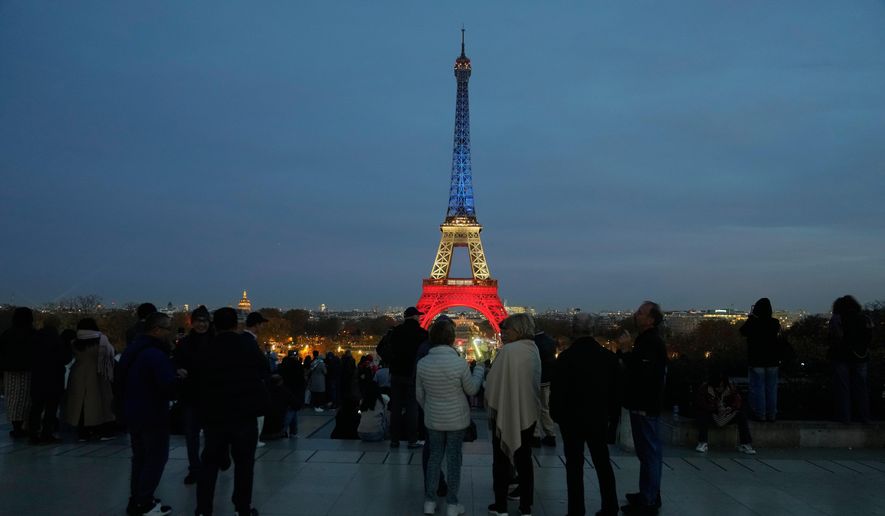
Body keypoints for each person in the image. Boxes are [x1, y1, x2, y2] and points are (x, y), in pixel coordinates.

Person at [196, 307, 268, 516]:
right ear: (237, 325)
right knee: (244, 465)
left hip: (215, 416)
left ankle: (203, 509)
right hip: (243, 415)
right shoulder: (247, 346)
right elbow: (263, 369)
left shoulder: (207, 348)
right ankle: (242, 507)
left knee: (209, 465)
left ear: (214, 325)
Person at [550, 313, 620, 516]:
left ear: (573, 330)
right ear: (593, 330)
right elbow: (616, 394)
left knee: (574, 466)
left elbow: (557, 392)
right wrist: (612, 420)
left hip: (571, 420)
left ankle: (576, 510)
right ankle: (610, 506)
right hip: (598, 418)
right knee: (602, 463)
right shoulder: (608, 358)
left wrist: (557, 416)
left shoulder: (565, 358)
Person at [416, 317, 485, 516]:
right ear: (452, 338)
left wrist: (430, 408)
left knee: (434, 459)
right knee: (454, 461)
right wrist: (479, 369)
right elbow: (472, 390)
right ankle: (452, 505)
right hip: (456, 420)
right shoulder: (459, 364)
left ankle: (429, 502)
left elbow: (419, 396)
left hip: (433, 419)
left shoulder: (423, 364)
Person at [118, 312, 178, 516]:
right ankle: (143, 502)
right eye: (167, 329)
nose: (170, 333)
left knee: (140, 458)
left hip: (133, 410)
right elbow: (168, 385)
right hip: (152, 412)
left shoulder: (133, 349)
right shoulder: (154, 354)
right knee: (156, 458)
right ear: (156, 330)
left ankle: (137, 499)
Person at [485, 314, 541, 516]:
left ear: (518, 329)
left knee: (501, 461)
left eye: (506, 329)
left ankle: (501, 506)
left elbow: (492, 382)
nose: (503, 332)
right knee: (525, 460)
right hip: (528, 411)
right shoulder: (533, 349)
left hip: (505, 410)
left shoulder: (508, 351)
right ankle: (526, 506)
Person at [620, 301, 667, 516]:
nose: (636, 314)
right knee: (647, 454)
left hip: (644, 405)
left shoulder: (650, 342)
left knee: (649, 454)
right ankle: (648, 493)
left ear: (651, 319)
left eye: (640, 312)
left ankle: (648, 499)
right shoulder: (650, 340)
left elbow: (641, 372)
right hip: (644, 404)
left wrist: (626, 350)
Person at [173, 305, 214, 484]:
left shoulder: (189, 343)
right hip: (193, 394)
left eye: (204, 321)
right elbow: (175, 362)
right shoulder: (186, 343)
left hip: (207, 395)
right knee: (192, 435)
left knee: (208, 435)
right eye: (199, 321)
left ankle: (203, 464)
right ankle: (195, 468)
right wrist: (178, 369)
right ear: (193, 322)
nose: (202, 324)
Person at [65, 318, 117, 441]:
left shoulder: (74, 342)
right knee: (100, 403)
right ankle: (101, 431)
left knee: (80, 404)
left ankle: (83, 432)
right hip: (98, 373)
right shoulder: (102, 340)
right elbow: (111, 354)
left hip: (78, 373)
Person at [388, 306, 429, 449]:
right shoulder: (423, 334)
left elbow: (382, 348)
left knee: (396, 407)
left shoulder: (395, 332)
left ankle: (394, 440)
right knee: (412, 408)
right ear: (415, 317)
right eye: (418, 316)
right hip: (413, 374)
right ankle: (412, 440)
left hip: (396, 373)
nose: (420, 317)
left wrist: (391, 362)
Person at [828, 295, 873, 424]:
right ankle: (865, 417)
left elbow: (834, 337)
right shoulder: (864, 318)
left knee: (843, 388)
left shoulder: (837, 319)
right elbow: (869, 338)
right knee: (862, 388)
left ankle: (845, 417)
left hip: (841, 356)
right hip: (861, 356)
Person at [28, 315, 72, 444]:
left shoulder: (35, 337)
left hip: (37, 377)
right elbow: (64, 359)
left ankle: (33, 434)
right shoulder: (57, 339)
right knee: (51, 408)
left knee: (36, 407)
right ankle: (47, 434)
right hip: (54, 377)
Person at [739, 298, 781, 422]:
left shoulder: (753, 322)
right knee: (772, 389)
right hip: (773, 360)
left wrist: (751, 317)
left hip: (756, 360)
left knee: (758, 388)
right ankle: (772, 414)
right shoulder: (775, 323)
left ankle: (760, 414)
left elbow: (742, 332)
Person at [694, 371, 756, 455]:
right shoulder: (705, 389)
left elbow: (738, 401)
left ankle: (745, 444)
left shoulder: (730, 388)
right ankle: (702, 442)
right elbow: (701, 404)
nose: (720, 388)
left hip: (726, 414)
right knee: (702, 415)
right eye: (718, 386)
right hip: (711, 414)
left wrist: (730, 408)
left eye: (722, 386)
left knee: (741, 415)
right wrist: (715, 408)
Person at [0, 307, 36, 438]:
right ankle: (24, 426)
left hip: (9, 371)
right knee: (25, 399)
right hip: (27, 371)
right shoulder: (32, 333)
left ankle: (16, 427)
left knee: (12, 399)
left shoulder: (7, 333)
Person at [243, 312, 271, 447]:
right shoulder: (249, 341)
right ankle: (254, 439)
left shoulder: (243, 339)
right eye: (261, 325)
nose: (262, 328)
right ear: (256, 325)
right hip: (252, 385)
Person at [532, 329, 557, 448]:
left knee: (533, 408)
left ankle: (535, 435)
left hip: (535, 379)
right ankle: (550, 434)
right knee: (545, 408)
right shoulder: (551, 341)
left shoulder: (532, 343)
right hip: (547, 379)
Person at [277, 351, 305, 437]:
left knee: (291, 410)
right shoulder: (297, 365)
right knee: (292, 410)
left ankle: (292, 431)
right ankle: (286, 431)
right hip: (295, 390)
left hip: (285, 389)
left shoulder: (283, 365)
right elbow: (301, 378)